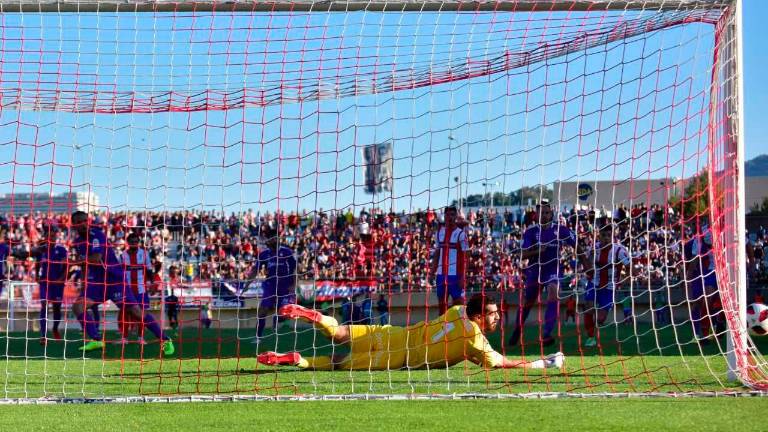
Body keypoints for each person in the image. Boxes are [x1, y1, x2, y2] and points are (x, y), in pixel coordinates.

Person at [257, 293, 564, 371]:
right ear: (481, 316)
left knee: (340, 333)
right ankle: (300, 360)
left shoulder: (457, 311)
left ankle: (312, 316)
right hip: (396, 358)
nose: (499, 318)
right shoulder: (476, 341)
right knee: (337, 361)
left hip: (393, 334)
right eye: (495, 314)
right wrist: (544, 362)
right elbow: (503, 363)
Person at [69, 211, 174, 355]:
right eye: (79, 222)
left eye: (85, 220)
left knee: (136, 312)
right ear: (74, 224)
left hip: (114, 280)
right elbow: (85, 264)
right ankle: (96, 339)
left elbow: (95, 257)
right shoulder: (77, 242)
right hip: (97, 283)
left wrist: (72, 262)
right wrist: (85, 280)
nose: (83, 224)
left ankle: (165, 339)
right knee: (78, 306)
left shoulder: (97, 235)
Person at [508, 200, 576, 347]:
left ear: (551, 214)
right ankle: (517, 330)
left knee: (553, 292)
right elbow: (523, 255)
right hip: (535, 271)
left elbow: (576, 244)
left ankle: (547, 333)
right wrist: (538, 250)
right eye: (541, 213)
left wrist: (586, 262)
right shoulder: (531, 232)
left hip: (553, 269)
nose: (544, 215)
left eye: (547, 212)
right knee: (528, 303)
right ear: (536, 215)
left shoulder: (560, 230)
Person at [580, 224, 631, 347]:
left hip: (609, 288)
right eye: (603, 235)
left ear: (613, 236)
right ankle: (591, 338)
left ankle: (593, 327)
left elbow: (630, 268)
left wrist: (624, 280)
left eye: (609, 235)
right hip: (594, 283)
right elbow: (587, 263)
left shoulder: (619, 250)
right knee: (589, 308)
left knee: (601, 319)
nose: (606, 238)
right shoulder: (594, 248)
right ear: (599, 236)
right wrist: (588, 266)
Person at [253, 226, 297, 342]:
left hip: (284, 285)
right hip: (270, 285)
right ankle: (258, 337)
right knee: (262, 310)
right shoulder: (264, 254)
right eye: (269, 238)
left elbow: (294, 269)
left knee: (284, 313)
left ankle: (276, 320)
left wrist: (293, 285)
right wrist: (247, 284)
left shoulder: (286, 252)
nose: (271, 240)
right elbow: (255, 270)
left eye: (274, 238)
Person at [430, 205, 469, 314]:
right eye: (448, 215)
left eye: (452, 214)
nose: (450, 217)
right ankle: (443, 329)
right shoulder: (438, 233)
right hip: (441, 275)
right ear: (445, 216)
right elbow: (437, 253)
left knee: (460, 308)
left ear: (456, 216)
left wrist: (464, 277)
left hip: (456, 276)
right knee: (441, 308)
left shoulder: (461, 234)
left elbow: (467, 257)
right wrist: (432, 271)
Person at [35, 224, 69, 345]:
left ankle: (55, 328)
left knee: (56, 308)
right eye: (49, 236)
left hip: (58, 284)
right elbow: (37, 263)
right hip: (45, 282)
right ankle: (43, 336)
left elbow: (66, 267)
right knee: (44, 305)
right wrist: (36, 275)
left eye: (53, 236)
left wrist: (62, 279)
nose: (51, 239)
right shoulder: (42, 250)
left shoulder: (62, 250)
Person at [684, 222, 717, 344]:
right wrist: (688, 278)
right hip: (700, 274)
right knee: (698, 302)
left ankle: (712, 327)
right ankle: (698, 334)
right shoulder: (696, 243)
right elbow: (692, 263)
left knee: (712, 302)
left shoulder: (721, 238)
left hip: (714, 273)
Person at [119, 232, 153, 344]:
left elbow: (149, 270)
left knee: (142, 313)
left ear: (138, 242)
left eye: (136, 242)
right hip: (127, 289)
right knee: (125, 313)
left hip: (141, 289)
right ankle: (124, 338)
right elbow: (119, 272)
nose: (134, 244)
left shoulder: (144, 254)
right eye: (132, 242)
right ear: (128, 243)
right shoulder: (123, 255)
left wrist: (152, 283)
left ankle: (140, 338)